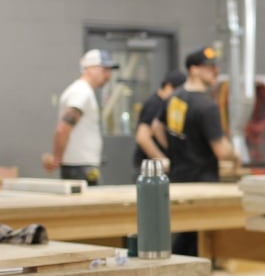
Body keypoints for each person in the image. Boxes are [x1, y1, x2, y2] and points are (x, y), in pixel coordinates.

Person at [152, 46, 237, 276]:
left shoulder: (174, 99)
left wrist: (171, 154)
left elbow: (156, 127)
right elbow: (221, 151)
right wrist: (237, 157)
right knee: (201, 241)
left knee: (188, 235)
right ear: (193, 69)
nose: (216, 71)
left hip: (179, 178)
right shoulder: (207, 106)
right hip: (203, 182)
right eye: (210, 67)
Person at [42, 49, 119, 185]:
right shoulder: (81, 92)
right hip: (80, 168)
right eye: (104, 70)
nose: (108, 76)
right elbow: (63, 128)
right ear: (89, 68)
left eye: (109, 71)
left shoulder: (83, 91)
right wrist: (57, 158)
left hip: (81, 166)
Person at [132, 69, 186, 176]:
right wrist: (162, 161)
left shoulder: (165, 104)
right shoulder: (155, 104)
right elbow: (142, 137)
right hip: (151, 170)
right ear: (168, 87)